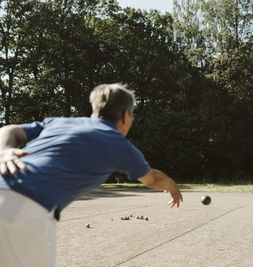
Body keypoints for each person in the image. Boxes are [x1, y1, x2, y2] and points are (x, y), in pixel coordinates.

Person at [0, 83, 183, 267]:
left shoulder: (60, 122)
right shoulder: (118, 144)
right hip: (24, 207)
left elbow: (9, 130)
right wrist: (172, 187)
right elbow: (153, 178)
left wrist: (4, 150)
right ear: (126, 115)